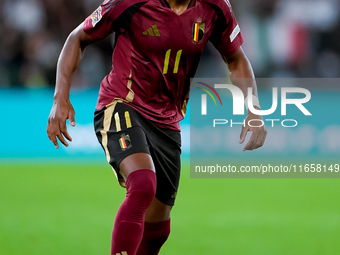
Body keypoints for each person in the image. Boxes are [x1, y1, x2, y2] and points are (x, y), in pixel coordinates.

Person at [47, 0, 267, 254]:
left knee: (158, 227)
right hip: (122, 103)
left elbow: (236, 59)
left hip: (167, 119)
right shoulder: (129, 2)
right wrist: (60, 98)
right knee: (142, 184)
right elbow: (77, 38)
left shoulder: (216, 7)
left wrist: (254, 109)